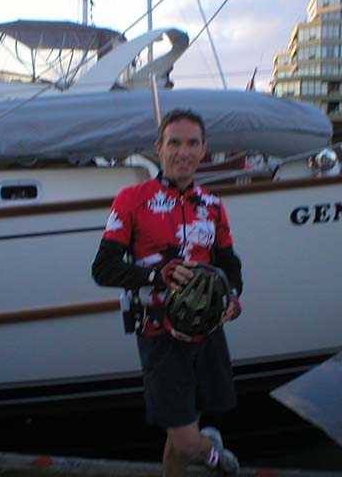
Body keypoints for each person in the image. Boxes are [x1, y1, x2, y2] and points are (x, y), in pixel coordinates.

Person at [91, 109, 243, 476]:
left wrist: (233, 297)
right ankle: (214, 456)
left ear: (203, 150)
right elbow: (103, 268)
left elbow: (229, 264)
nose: (183, 152)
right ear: (158, 148)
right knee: (188, 442)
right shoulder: (132, 199)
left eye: (192, 143)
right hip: (159, 335)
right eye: (174, 143)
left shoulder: (213, 204)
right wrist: (157, 276)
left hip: (207, 331)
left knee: (178, 440)